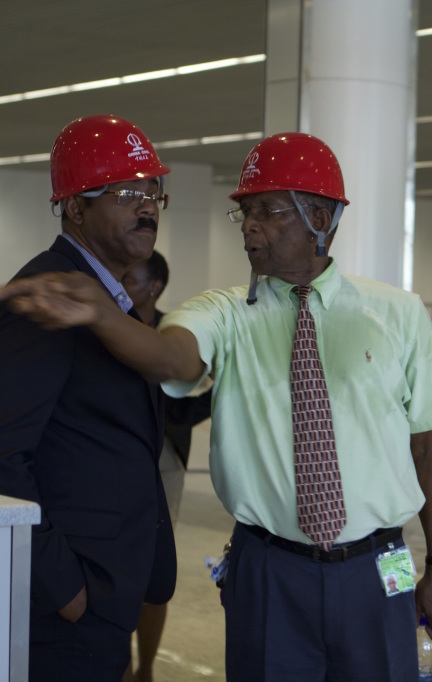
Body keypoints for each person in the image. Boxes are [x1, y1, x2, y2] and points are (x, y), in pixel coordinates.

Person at [0, 132, 432, 681]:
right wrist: (102, 314)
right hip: (269, 566)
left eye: (267, 211)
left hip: (380, 565)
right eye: (243, 213)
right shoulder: (222, 311)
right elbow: (170, 359)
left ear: (320, 215)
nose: (249, 227)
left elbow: (429, 446)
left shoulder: (398, 313)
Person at [0, 114, 176, 681]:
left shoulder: (109, 300)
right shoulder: (49, 296)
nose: (146, 207)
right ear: (76, 208)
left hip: (107, 584)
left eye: (152, 193)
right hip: (69, 600)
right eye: (127, 193)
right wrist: (67, 588)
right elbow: (3, 453)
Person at [121, 251, 212, 682]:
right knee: (116, 565)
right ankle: (119, 664)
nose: (122, 282)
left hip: (162, 459)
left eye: (132, 277)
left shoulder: (177, 332)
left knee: (152, 568)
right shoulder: (109, 323)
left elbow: (200, 396)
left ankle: (146, 667)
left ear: (155, 285)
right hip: (114, 458)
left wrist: (169, 415)